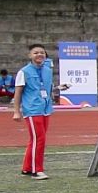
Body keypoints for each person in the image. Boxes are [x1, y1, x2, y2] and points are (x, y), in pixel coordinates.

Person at [11, 43, 65, 178]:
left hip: (45, 108)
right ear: (30, 55)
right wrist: (16, 111)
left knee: (35, 139)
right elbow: (18, 92)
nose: (39, 55)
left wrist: (58, 88)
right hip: (32, 109)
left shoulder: (47, 70)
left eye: (42, 52)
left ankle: (27, 168)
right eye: (36, 53)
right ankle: (37, 170)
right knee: (40, 139)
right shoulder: (24, 72)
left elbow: (46, 88)